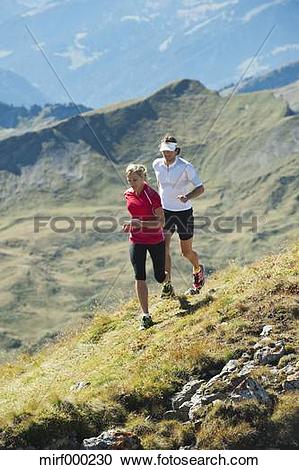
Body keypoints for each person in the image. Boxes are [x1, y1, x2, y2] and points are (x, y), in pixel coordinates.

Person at [152, 135, 205, 296]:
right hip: (165, 212)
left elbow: (200, 188)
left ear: (176, 151)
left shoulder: (186, 167)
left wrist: (187, 197)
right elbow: (160, 185)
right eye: (164, 151)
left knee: (186, 252)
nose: (166, 154)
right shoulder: (157, 164)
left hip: (184, 213)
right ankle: (167, 286)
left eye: (169, 151)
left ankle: (198, 269)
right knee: (163, 248)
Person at [123, 163, 169, 329]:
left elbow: (161, 222)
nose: (132, 183)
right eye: (129, 180)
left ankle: (167, 282)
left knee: (159, 276)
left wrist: (138, 223)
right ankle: (146, 315)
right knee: (139, 275)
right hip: (136, 240)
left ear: (144, 178)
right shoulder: (128, 194)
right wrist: (132, 226)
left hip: (155, 239)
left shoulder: (152, 196)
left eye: (135, 179)